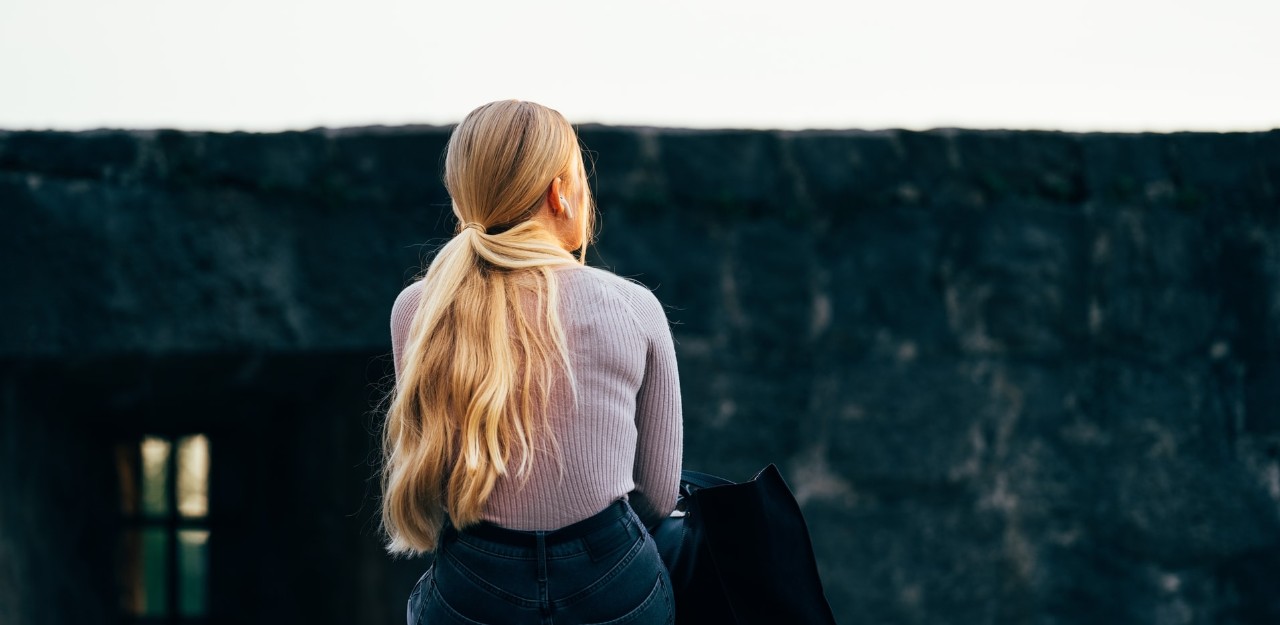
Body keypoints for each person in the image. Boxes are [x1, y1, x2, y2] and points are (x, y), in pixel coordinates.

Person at [382, 99, 683, 625]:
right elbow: (656, 495)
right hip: (611, 585)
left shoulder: (420, 309)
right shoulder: (635, 307)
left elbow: (434, 494)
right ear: (559, 192)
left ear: (461, 198)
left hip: (475, 588)